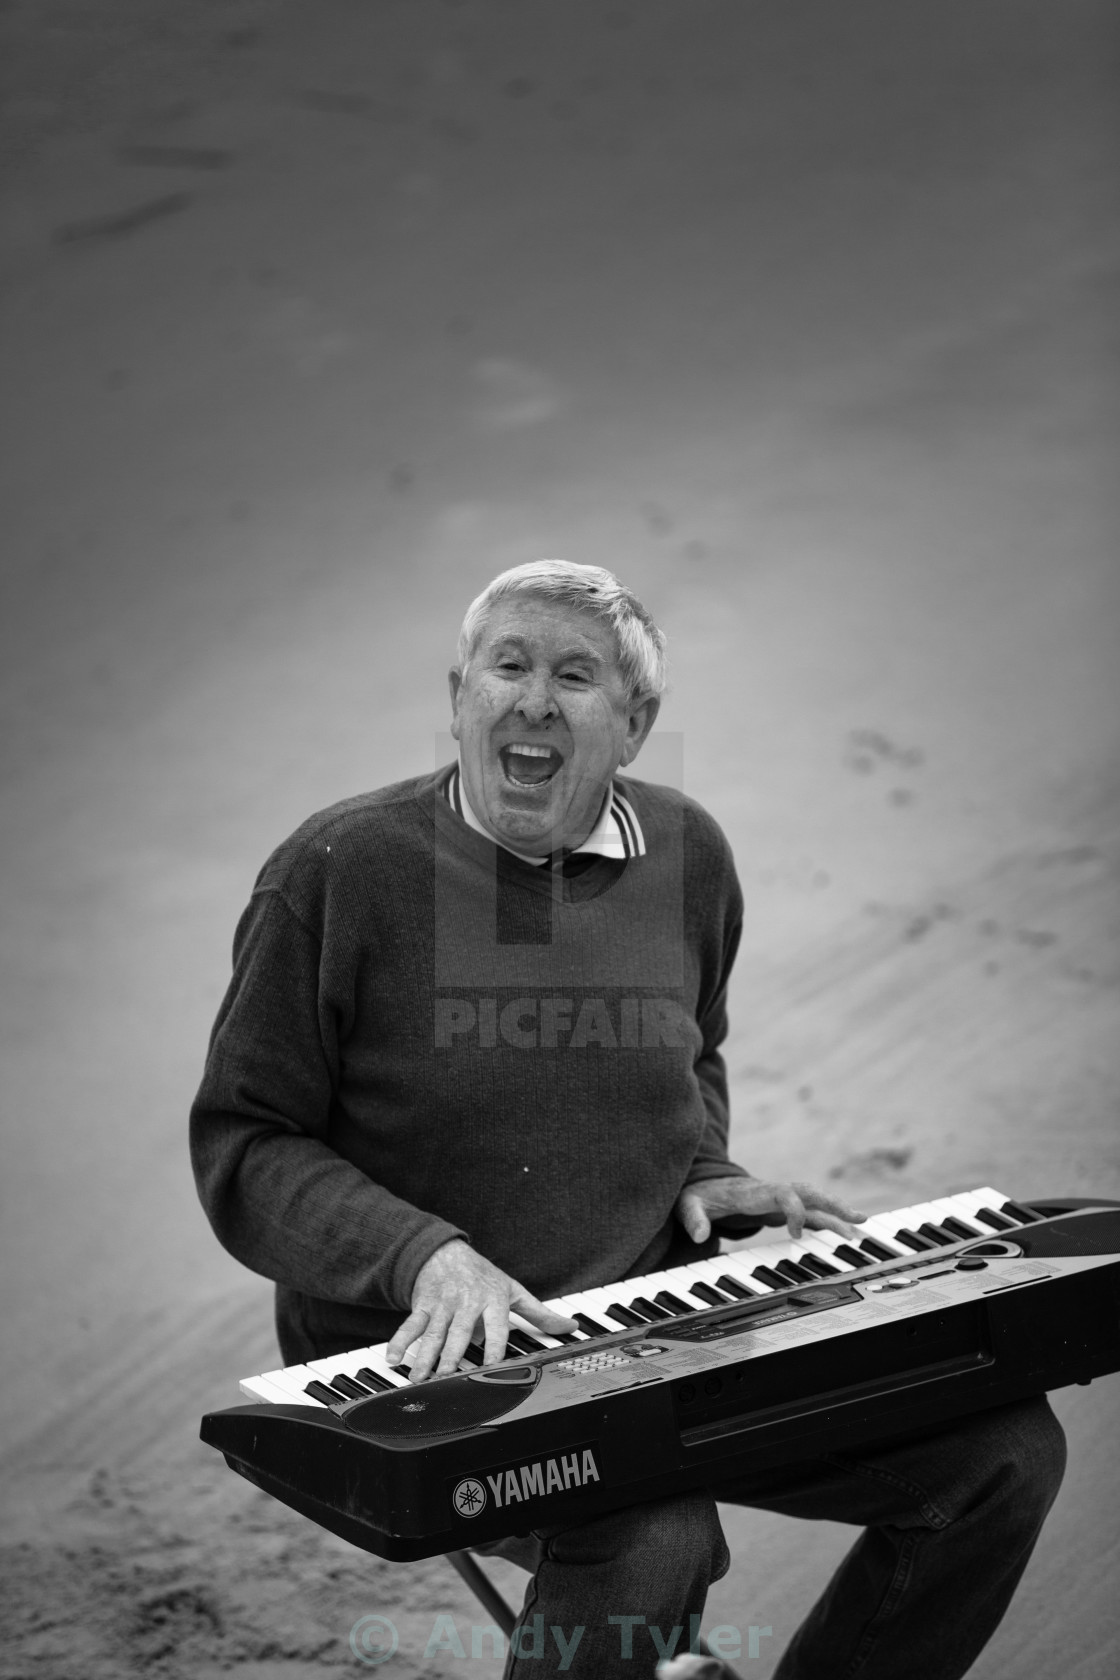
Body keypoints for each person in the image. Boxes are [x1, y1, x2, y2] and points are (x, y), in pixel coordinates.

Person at [191, 560, 1065, 1679]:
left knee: (1001, 1457)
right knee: (653, 1536)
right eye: (506, 666)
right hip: (415, 1349)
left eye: (575, 675)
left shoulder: (689, 855)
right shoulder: (337, 873)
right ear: (458, 693)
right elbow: (246, 1141)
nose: (534, 702)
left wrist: (702, 1167)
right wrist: (426, 1257)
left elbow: (689, 1055)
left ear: (636, 724)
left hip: (654, 1320)